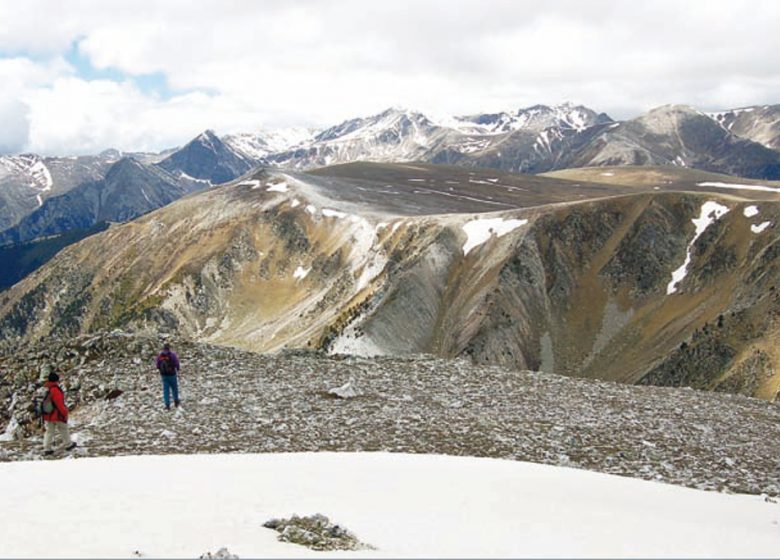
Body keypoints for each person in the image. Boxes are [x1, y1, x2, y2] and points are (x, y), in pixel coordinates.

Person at [42, 372, 77, 455]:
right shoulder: (56, 390)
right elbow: (59, 404)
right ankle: (69, 444)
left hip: (48, 414)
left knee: (49, 431)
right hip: (56, 414)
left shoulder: (47, 388)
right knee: (63, 428)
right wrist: (65, 413)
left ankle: (47, 448)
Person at [156, 343, 181, 410]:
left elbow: (157, 365)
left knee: (166, 390)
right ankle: (176, 401)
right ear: (169, 348)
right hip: (172, 374)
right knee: (174, 388)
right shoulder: (172, 354)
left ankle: (167, 405)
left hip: (164, 375)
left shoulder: (160, 355)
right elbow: (177, 363)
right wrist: (178, 369)